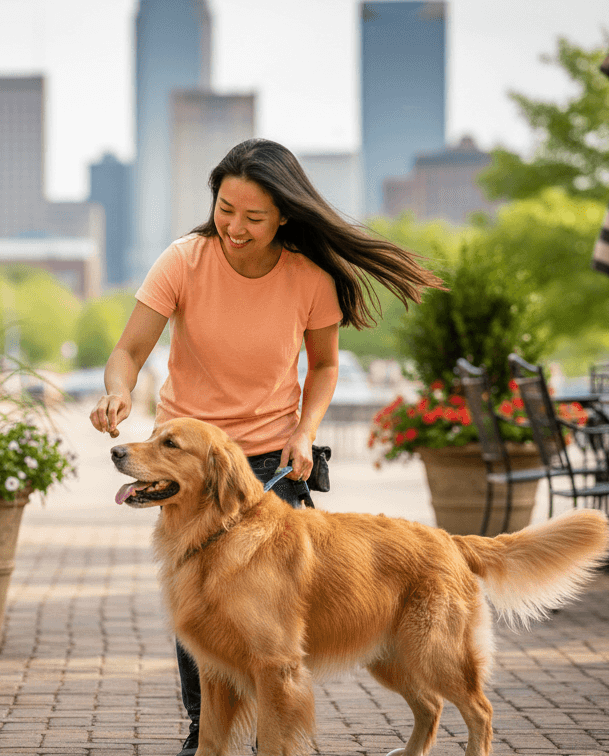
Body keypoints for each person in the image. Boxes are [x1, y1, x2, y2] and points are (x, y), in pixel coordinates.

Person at [90, 138, 442, 756]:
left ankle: (272, 749)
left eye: (253, 217)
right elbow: (129, 351)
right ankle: (206, 739)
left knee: (272, 640)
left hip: (269, 469)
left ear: (284, 214)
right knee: (199, 620)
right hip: (189, 459)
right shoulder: (183, 260)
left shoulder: (309, 277)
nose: (235, 227)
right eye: (226, 209)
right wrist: (118, 392)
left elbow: (326, 366)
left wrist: (305, 432)